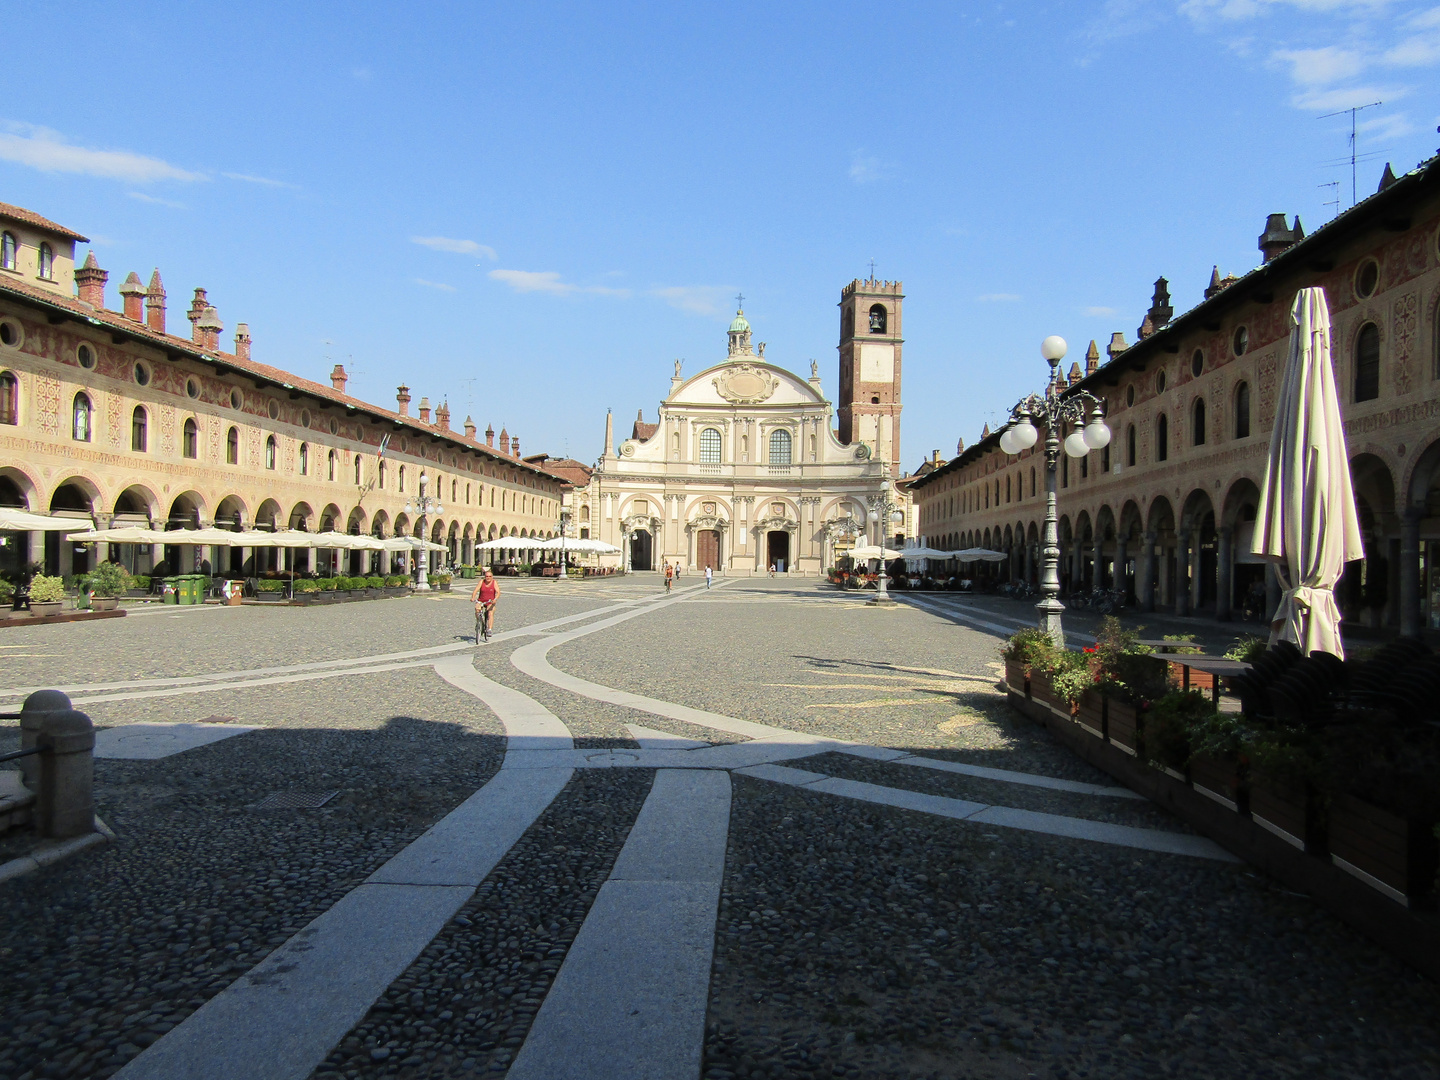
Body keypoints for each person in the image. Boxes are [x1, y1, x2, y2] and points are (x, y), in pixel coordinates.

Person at [471, 568, 499, 642]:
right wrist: (473, 597)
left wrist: (495, 599)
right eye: (486, 576)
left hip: (490, 601)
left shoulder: (494, 582)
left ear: (492, 577)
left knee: (490, 613)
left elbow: (498, 592)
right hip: (481, 600)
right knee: (477, 608)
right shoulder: (481, 582)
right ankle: (478, 622)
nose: (488, 578)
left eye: (489, 576)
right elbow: (476, 590)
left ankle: (489, 629)